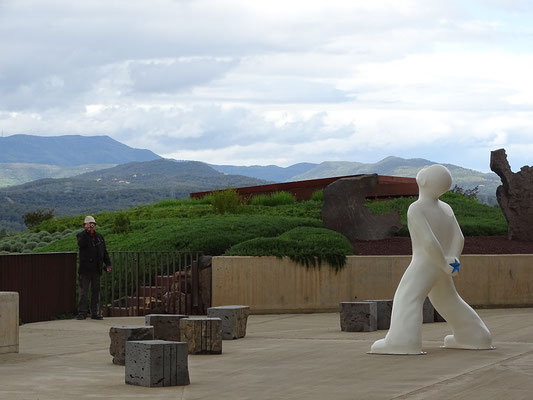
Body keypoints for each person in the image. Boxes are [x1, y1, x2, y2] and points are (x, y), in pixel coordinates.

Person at [370, 164, 492, 354]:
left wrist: (443, 261)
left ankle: (402, 342)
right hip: (444, 265)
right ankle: (475, 335)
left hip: (425, 263)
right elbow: (459, 237)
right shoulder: (446, 208)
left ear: (424, 181)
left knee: (408, 297)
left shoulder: (416, 208)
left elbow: (428, 240)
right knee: (447, 300)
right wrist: (452, 261)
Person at [76, 215, 112, 320]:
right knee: (84, 292)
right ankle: (82, 312)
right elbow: (80, 244)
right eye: (89, 224)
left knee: (96, 292)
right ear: (85, 225)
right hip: (85, 269)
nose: (91, 226)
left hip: (96, 269)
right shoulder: (81, 235)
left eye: (93, 224)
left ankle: (95, 312)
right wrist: (87, 233)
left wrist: (108, 264)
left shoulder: (99, 237)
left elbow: (104, 252)